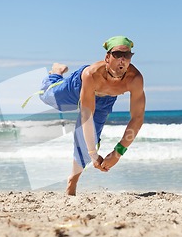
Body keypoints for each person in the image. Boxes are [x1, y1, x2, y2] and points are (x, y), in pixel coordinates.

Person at [39, 36, 146, 195]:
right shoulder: (92, 74)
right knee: (48, 97)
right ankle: (56, 72)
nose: (122, 60)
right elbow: (86, 117)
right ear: (107, 57)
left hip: (106, 100)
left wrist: (118, 153)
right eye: (117, 55)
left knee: (87, 141)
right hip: (79, 86)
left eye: (127, 56)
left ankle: (72, 183)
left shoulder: (135, 79)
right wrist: (94, 155)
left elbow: (137, 118)